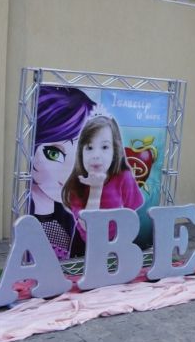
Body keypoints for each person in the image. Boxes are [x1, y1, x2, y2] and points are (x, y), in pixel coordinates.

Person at [62, 114, 144, 253]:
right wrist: (96, 188)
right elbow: (88, 225)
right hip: (84, 244)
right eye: (89, 147)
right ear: (81, 152)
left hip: (115, 242)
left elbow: (130, 213)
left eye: (104, 147)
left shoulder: (123, 176)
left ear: (115, 151)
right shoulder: (77, 183)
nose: (96, 155)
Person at [30, 86, 96, 259]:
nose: (70, 172)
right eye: (54, 153)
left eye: (81, 154)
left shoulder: (70, 213)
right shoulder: (28, 217)